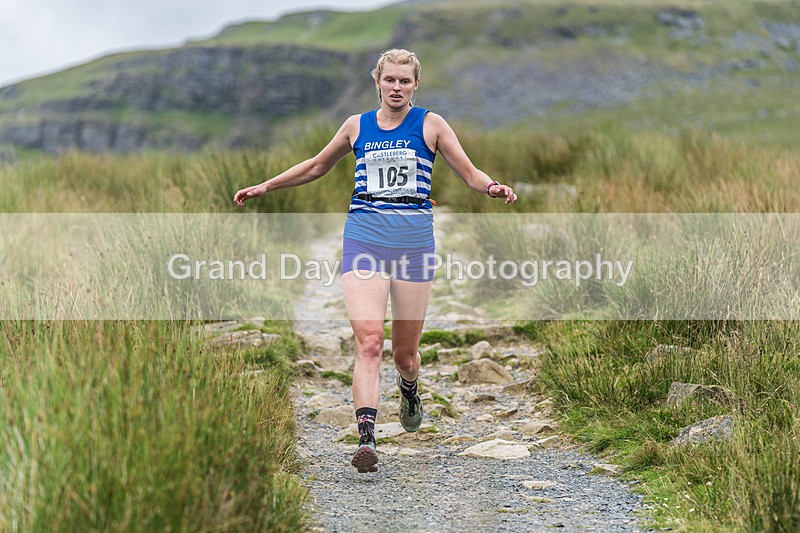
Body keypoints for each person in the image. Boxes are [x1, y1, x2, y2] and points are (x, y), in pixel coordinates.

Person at [234, 49, 517, 473]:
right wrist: (266, 186)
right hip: (364, 238)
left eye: (405, 81)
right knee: (368, 342)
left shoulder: (431, 124)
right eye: (390, 80)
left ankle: (409, 387)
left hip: (414, 245)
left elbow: (469, 173)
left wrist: (492, 187)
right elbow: (316, 166)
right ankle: (367, 438)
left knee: (405, 354)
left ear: (415, 85)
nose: (397, 88)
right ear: (378, 82)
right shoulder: (356, 126)